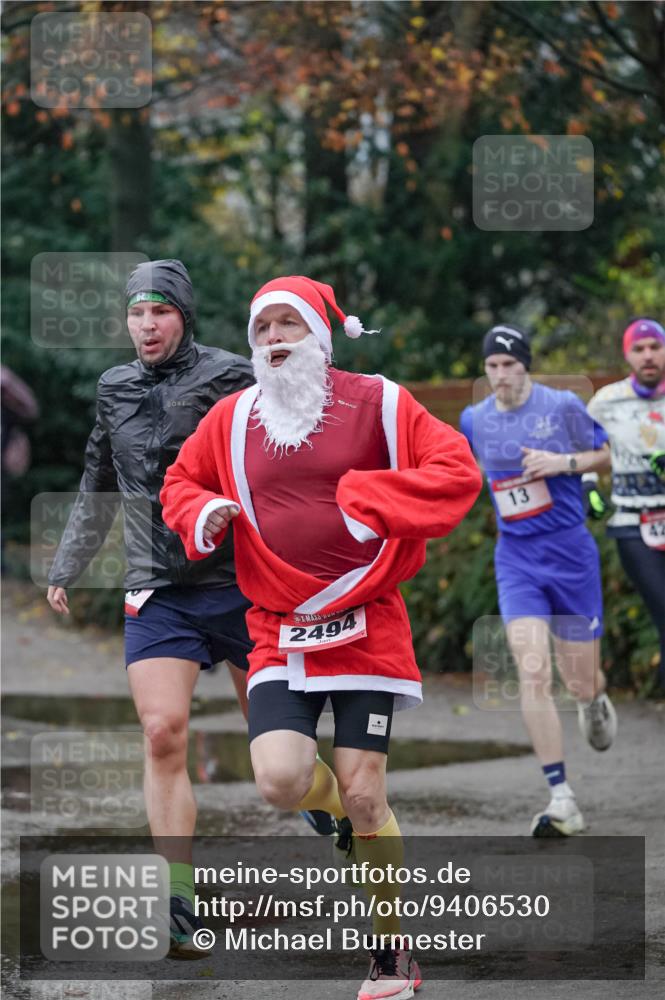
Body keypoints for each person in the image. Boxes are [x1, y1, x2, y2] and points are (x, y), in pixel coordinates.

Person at [160, 275, 482, 1000]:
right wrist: (202, 510)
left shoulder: (379, 402)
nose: (274, 340)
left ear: (320, 336)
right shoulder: (233, 416)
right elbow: (180, 481)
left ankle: (390, 952)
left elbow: (454, 469)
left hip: (366, 624)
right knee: (278, 780)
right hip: (280, 628)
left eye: (288, 325)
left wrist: (377, 500)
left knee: (367, 789)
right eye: (262, 328)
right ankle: (340, 816)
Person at [46, 259, 255, 957]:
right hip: (157, 586)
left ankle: (324, 806)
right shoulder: (114, 388)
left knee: (276, 748)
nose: (146, 325)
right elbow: (97, 476)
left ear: (183, 315)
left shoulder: (230, 374)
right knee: (162, 732)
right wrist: (68, 563)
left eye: (159, 312)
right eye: (137, 314)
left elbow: (280, 455)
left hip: (240, 580)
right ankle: (179, 902)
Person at [460, 324, 617, 838]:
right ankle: (561, 796)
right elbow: (467, 472)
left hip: (570, 553)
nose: (501, 375)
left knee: (581, 681)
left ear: (526, 365)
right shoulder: (474, 419)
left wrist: (562, 463)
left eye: (510, 365)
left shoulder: (563, 406)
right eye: (492, 366)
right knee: (531, 672)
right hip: (517, 558)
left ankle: (593, 699)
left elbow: (607, 453)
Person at [587, 318, 665, 691]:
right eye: (640, 348)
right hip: (634, 524)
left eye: (655, 347)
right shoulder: (607, 401)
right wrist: (590, 490)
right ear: (628, 355)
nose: (648, 355)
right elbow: (584, 449)